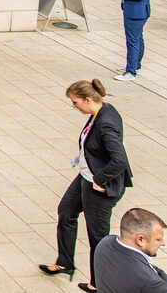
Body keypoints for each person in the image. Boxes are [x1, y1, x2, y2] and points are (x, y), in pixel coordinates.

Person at [38, 79, 132, 292]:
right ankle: (65, 262)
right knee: (66, 212)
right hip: (86, 176)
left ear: (88, 100)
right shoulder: (101, 112)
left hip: (98, 185)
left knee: (97, 236)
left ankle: (99, 283)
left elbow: (119, 160)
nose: (74, 106)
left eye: (75, 102)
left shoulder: (106, 122)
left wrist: (100, 179)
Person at [93, 208, 167, 293]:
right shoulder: (151, 283)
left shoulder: (105, 243)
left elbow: (153, 269)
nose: (163, 243)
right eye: (158, 239)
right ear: (140, 240)